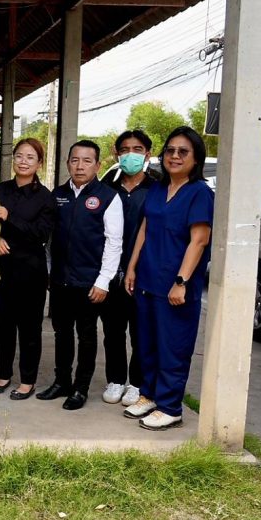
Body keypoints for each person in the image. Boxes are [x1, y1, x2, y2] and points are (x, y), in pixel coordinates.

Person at [124, 126, 213, 431]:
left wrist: (181, 281)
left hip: (175, 286)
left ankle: (170, 406)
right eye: (170, 151)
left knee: (172, 347)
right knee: (147, 344)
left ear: (196, 158)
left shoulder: (200, 193)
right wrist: (132, 267)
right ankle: (149, 395)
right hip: (147, 279)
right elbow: (145, 229)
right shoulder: (158, 189)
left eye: (183, 152)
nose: (175, 156)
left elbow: (199, 241)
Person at [37, 140, 122, 411]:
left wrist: (103, 281)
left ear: (97, 165)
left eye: (87, 161)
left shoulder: (108, 197)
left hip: (90, 282)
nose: (80, 166)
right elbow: (49, 239)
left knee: (86, 336)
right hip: (60, 280)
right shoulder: (58, 195)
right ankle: (61, 381)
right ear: (67, 164)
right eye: (75, 160)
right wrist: (49, 272)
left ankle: (80, 388)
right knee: (61, 333)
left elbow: (114, 243)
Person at [0, 138, 56, 400]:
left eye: (30, 157)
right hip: (1, 271)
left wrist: (10, 217)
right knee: (3, 327)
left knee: (29, 329)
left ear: (39, 163)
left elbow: (41, 234)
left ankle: (28, 381)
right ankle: (3, 375)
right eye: (19, 156)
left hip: (31, 272)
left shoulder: (45, 197)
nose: (23, 161)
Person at [100, 130, 157, 407]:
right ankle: (115, 379)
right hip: (111, 272)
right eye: (124, 150)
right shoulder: (106, 188)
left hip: (144, 273)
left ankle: (136, 382)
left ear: (147, 153)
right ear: (116, 153)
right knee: (112, 330)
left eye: (137, 149)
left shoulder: (157, 189)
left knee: (140, 332)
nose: (130, 155)